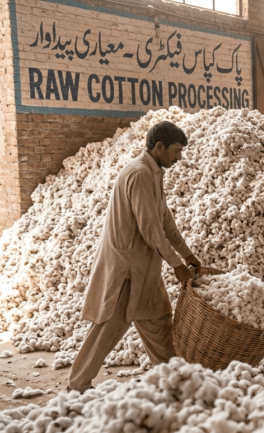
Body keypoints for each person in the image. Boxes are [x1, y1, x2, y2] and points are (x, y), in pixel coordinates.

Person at [68, 121, 200, 391]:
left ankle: (172, 382)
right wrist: (176, 265)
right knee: (109, 329)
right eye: (176, 151)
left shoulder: (154, 174)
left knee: (158, 324)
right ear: (159, 147)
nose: (179, 157)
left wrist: (188, 255)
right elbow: (150, 229)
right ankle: (77, 386)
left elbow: (166, 223)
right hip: (127, 271)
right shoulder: (139, 174)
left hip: (145, 270)